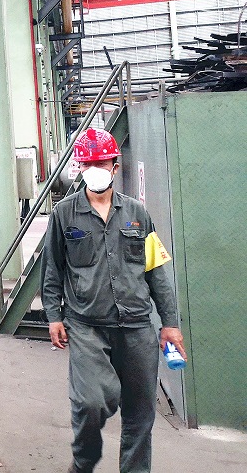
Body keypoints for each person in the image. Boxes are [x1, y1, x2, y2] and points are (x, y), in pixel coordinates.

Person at [41, 128, 183, 473]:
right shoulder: (64, 214)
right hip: (87, 326)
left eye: (101, 163)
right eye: (87, 163)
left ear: (115, 167)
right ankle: (84, 461)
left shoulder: (137, 213)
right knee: (91, 402)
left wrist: (170, 323)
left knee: (140, 413)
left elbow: (156, 271)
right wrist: (54, 316)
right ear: (79, 167)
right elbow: (52, 269)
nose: (94, 169)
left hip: (137, 326)